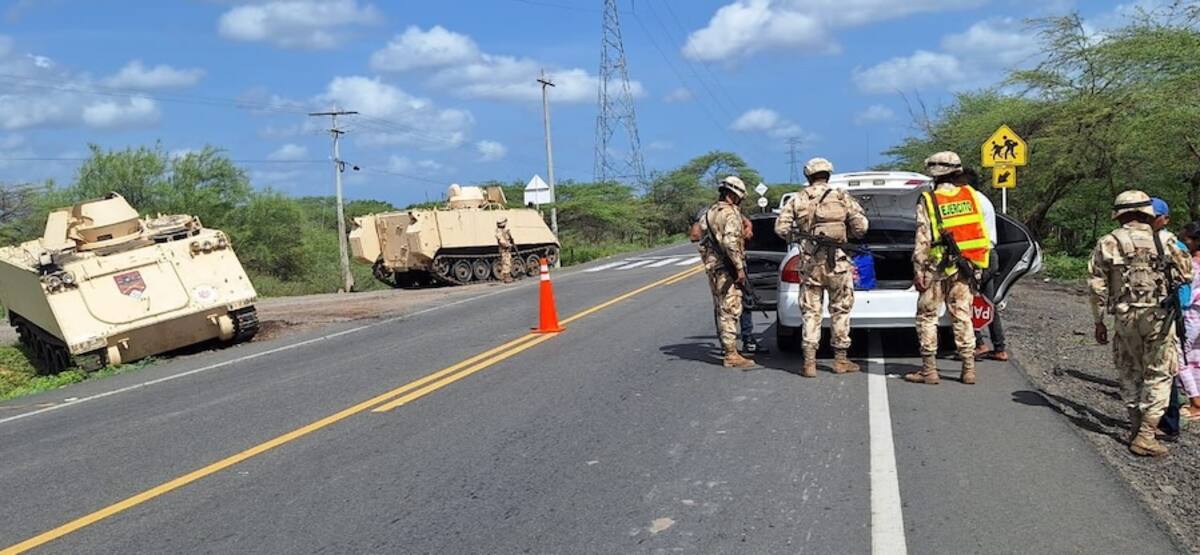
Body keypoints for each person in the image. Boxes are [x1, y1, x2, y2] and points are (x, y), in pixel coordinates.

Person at [1089, 190, 1192, 457]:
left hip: (1124, 316)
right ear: (1147, 212)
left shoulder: (1108, 241)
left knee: (1129, 369)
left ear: (1120, 214)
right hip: (1158, 316)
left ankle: (1136, 427)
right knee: (1159, 373)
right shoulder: (1166, 240)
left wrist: (1099, 321)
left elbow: (1096, 285)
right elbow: (1186, 273)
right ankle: (1147, 434)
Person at [774, 157, 869, 378]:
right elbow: (862, 227)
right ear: (828, 174)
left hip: (810, 263)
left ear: (808, 176)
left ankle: (809, 363)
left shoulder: (798, 199)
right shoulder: (841, 196)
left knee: (811, 312)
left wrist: (800, 238)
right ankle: (840, 360)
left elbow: (780, 229)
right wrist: (848, 234)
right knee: (840, 310)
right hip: (838, 262)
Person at [905, 151, 991, 385]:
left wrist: (918, 271)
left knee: (927, 317)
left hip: (936, 267)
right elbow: (978, 232)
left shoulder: (929, 200)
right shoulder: (971, 196)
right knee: (962, 316)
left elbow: (922, 239)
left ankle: (929, 370)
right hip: (966, 266)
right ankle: (968, 369)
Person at [697, 176, 757, 369]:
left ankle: (728, 348)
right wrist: (739, 268)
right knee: (730, 309)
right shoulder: (730, 214)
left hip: (713, 268)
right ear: (732, 195)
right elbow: (730, 243)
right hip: (727, 268)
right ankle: (731, 354)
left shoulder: (709, 213)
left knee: (721, 307)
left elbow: (698, 236)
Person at [690, 209, 767, 355]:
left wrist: (745, 229)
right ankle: (734, 345)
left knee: (735, 301)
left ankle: (734, 343)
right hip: (725, 265)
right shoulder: (711, 213)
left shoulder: (719, 212)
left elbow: (747, 224)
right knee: (731, 303)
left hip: (723, 265)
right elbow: (695, 235)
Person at [1150, 198, 1192, 439]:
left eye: (1155, 215)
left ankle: (1169, 422)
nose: (1150, 219)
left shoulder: (1173, 244)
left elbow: (1185, 281)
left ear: (1165, 218)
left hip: (1170, 316)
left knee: (1168, 368)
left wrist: (1181, 311)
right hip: (1148, 316)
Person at [960, 168, 1007, 362]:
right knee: (986, 303)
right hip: (988, 255)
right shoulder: (983, 199)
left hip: (979, 256)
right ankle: (998, 347)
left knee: (970, 301)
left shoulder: (972, 201)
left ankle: (979, 344)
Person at [1177, 221, 1200, 421]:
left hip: (1191, 314)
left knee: (1179, 359)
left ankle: (1195, 402)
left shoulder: (1191, 264)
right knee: (1195, 357)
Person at [495, 218, 514, 284]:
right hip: (504, 249)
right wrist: (507, 245)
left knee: (508, 262)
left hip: (506, 249)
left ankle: (507, 276)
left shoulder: (504, 231)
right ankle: (506, 277)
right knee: (506, 262)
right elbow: (501, 242)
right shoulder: (499, 232)